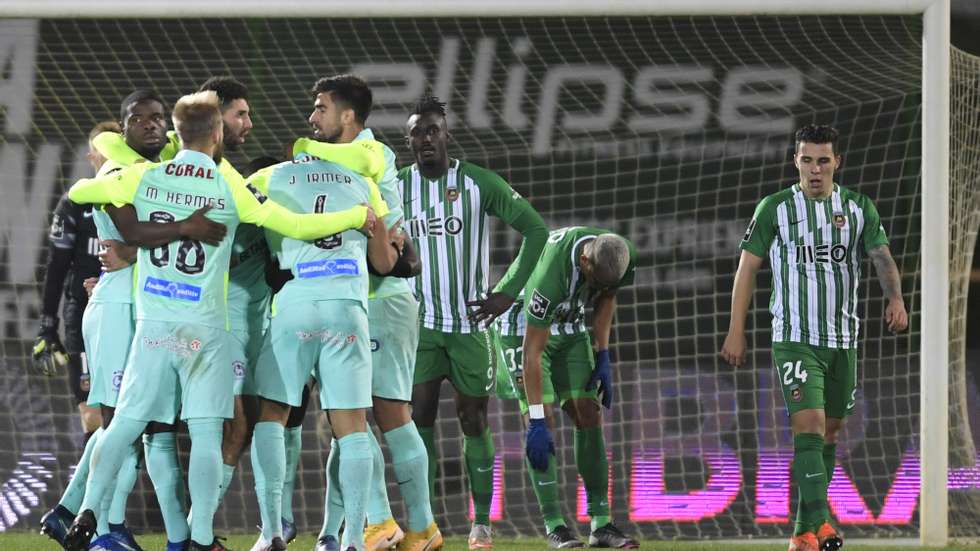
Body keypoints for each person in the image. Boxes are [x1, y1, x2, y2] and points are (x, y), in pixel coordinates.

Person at [62, 90, 378, 551]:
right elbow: (294, 225)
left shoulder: (144, 177)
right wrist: (356, 214)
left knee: (126, 424)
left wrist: (117, 170)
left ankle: (90, 510)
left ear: (174, 131)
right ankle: (201, 536)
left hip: (153, 326)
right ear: (216, 133)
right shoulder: (229, 185)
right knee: (209, 434)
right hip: (205, 331)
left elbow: (79, 191)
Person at [720, 124, 908, 551]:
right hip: (794, 336)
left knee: (831, 431)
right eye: (807, 160)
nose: (815, 169)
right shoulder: (775, 208)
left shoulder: (859, 208)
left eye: (823, 160)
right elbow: (747, 269)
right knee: (809, 425)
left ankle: (803, 532)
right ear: (796, 162)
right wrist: (736, 330)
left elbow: (881, 257)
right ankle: (823, 524)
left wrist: (894, 299)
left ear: (837, 162)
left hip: (843, 339)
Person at [246, 77, 399, 551]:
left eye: (318, 109)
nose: (312, 118)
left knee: (272, 415)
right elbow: (384, 263)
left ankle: (273, 530)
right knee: (351, 425)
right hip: (347, 310)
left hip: (295, 303)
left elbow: (249, 222)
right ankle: (354, 537)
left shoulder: (277, 175)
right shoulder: (363, 183)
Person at [294, 75, 440, 551]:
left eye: (321, 109)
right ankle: (418, 529)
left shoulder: (372, 159)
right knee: (378, 416)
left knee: (364, 416)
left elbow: (394, 239)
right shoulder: (345, 159)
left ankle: (383, 523)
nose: (313, 118)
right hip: (375, 300)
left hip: (375, 298)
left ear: (348, 116)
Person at [399, 94, 548, 550]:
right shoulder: (395, 186)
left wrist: (508, 292)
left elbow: (537, 231)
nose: (425, 139)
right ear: (408, 143)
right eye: (416, 133)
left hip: (470, 325)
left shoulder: (478, 183)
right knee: (415, 420)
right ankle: (422, 523)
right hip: (418, 325)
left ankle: (480, 523)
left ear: (447, 136)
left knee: (473, 419)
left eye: (432, 131)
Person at [496, 228, 640, 549]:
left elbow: (607, 299)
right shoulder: (551, 276)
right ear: (584, 260)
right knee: (543, 420)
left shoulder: (621, 254)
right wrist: (534, 419)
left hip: (570, 327)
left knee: (588, 412)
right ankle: (555, 525)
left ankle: (601, 524)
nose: (599, 287)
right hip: (524, 328)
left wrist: (602, 353)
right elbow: (532, 352)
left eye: (606, 282)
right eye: (595, 280)